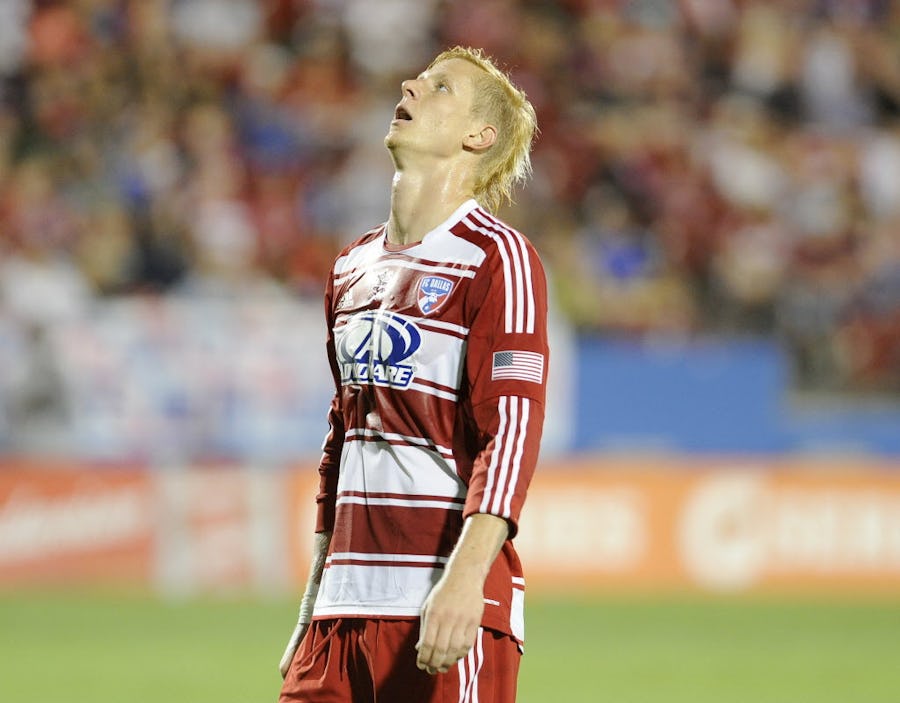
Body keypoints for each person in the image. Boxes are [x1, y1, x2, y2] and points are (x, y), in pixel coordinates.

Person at [278, 45, 548, 702]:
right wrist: (312, 601)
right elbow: (341, 439)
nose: (409, 85)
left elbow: (512, 429)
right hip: (340, 613)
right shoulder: (351, 266)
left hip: (439, 603)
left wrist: (466, 579)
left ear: (478, 136)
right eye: (419, 79)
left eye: (440, 87)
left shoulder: (498, 258)